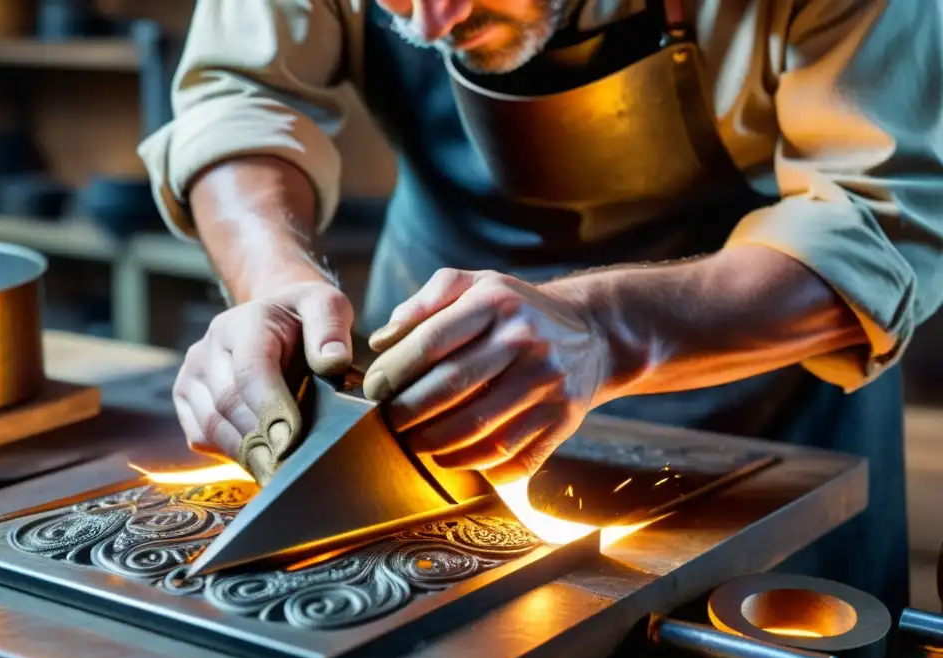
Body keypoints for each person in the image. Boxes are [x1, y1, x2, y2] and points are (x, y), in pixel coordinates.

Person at [138, 0, 943, 613]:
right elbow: (238, 94)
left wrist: (607, 330)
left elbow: (879, 219)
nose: (427, 19)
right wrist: (274, 280)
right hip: (421, 406)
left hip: (758, 392)